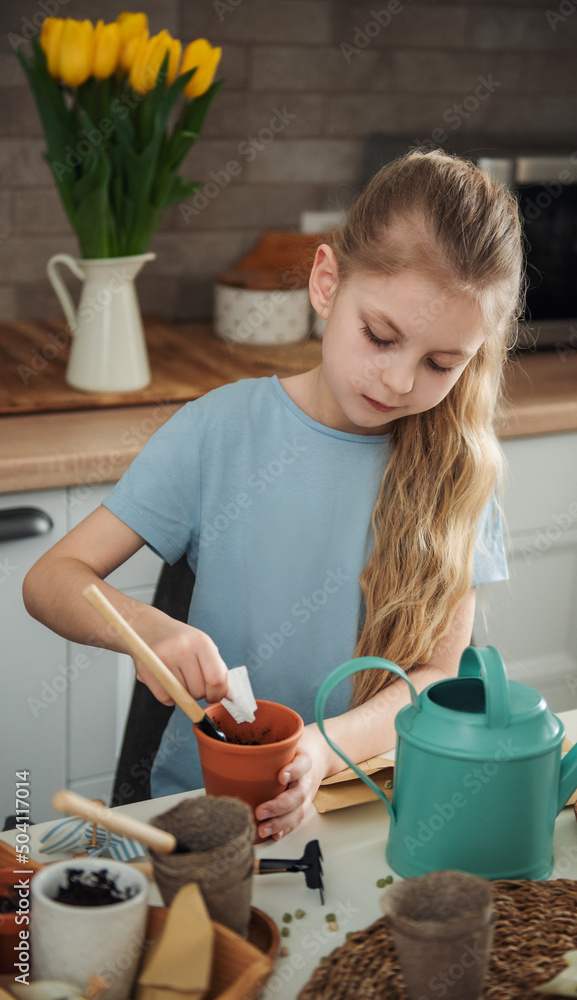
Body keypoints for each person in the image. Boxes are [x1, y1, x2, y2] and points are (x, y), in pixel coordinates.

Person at [23, 149, 524, 842]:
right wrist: (147, 633)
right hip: (192, 817)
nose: (401, 382)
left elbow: (436, 676)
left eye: (442, 362)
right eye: (380, 336)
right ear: (325, 283)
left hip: (363, 808)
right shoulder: (220, 430)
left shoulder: (459, 473)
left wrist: (320, 749)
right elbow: (51, 579)